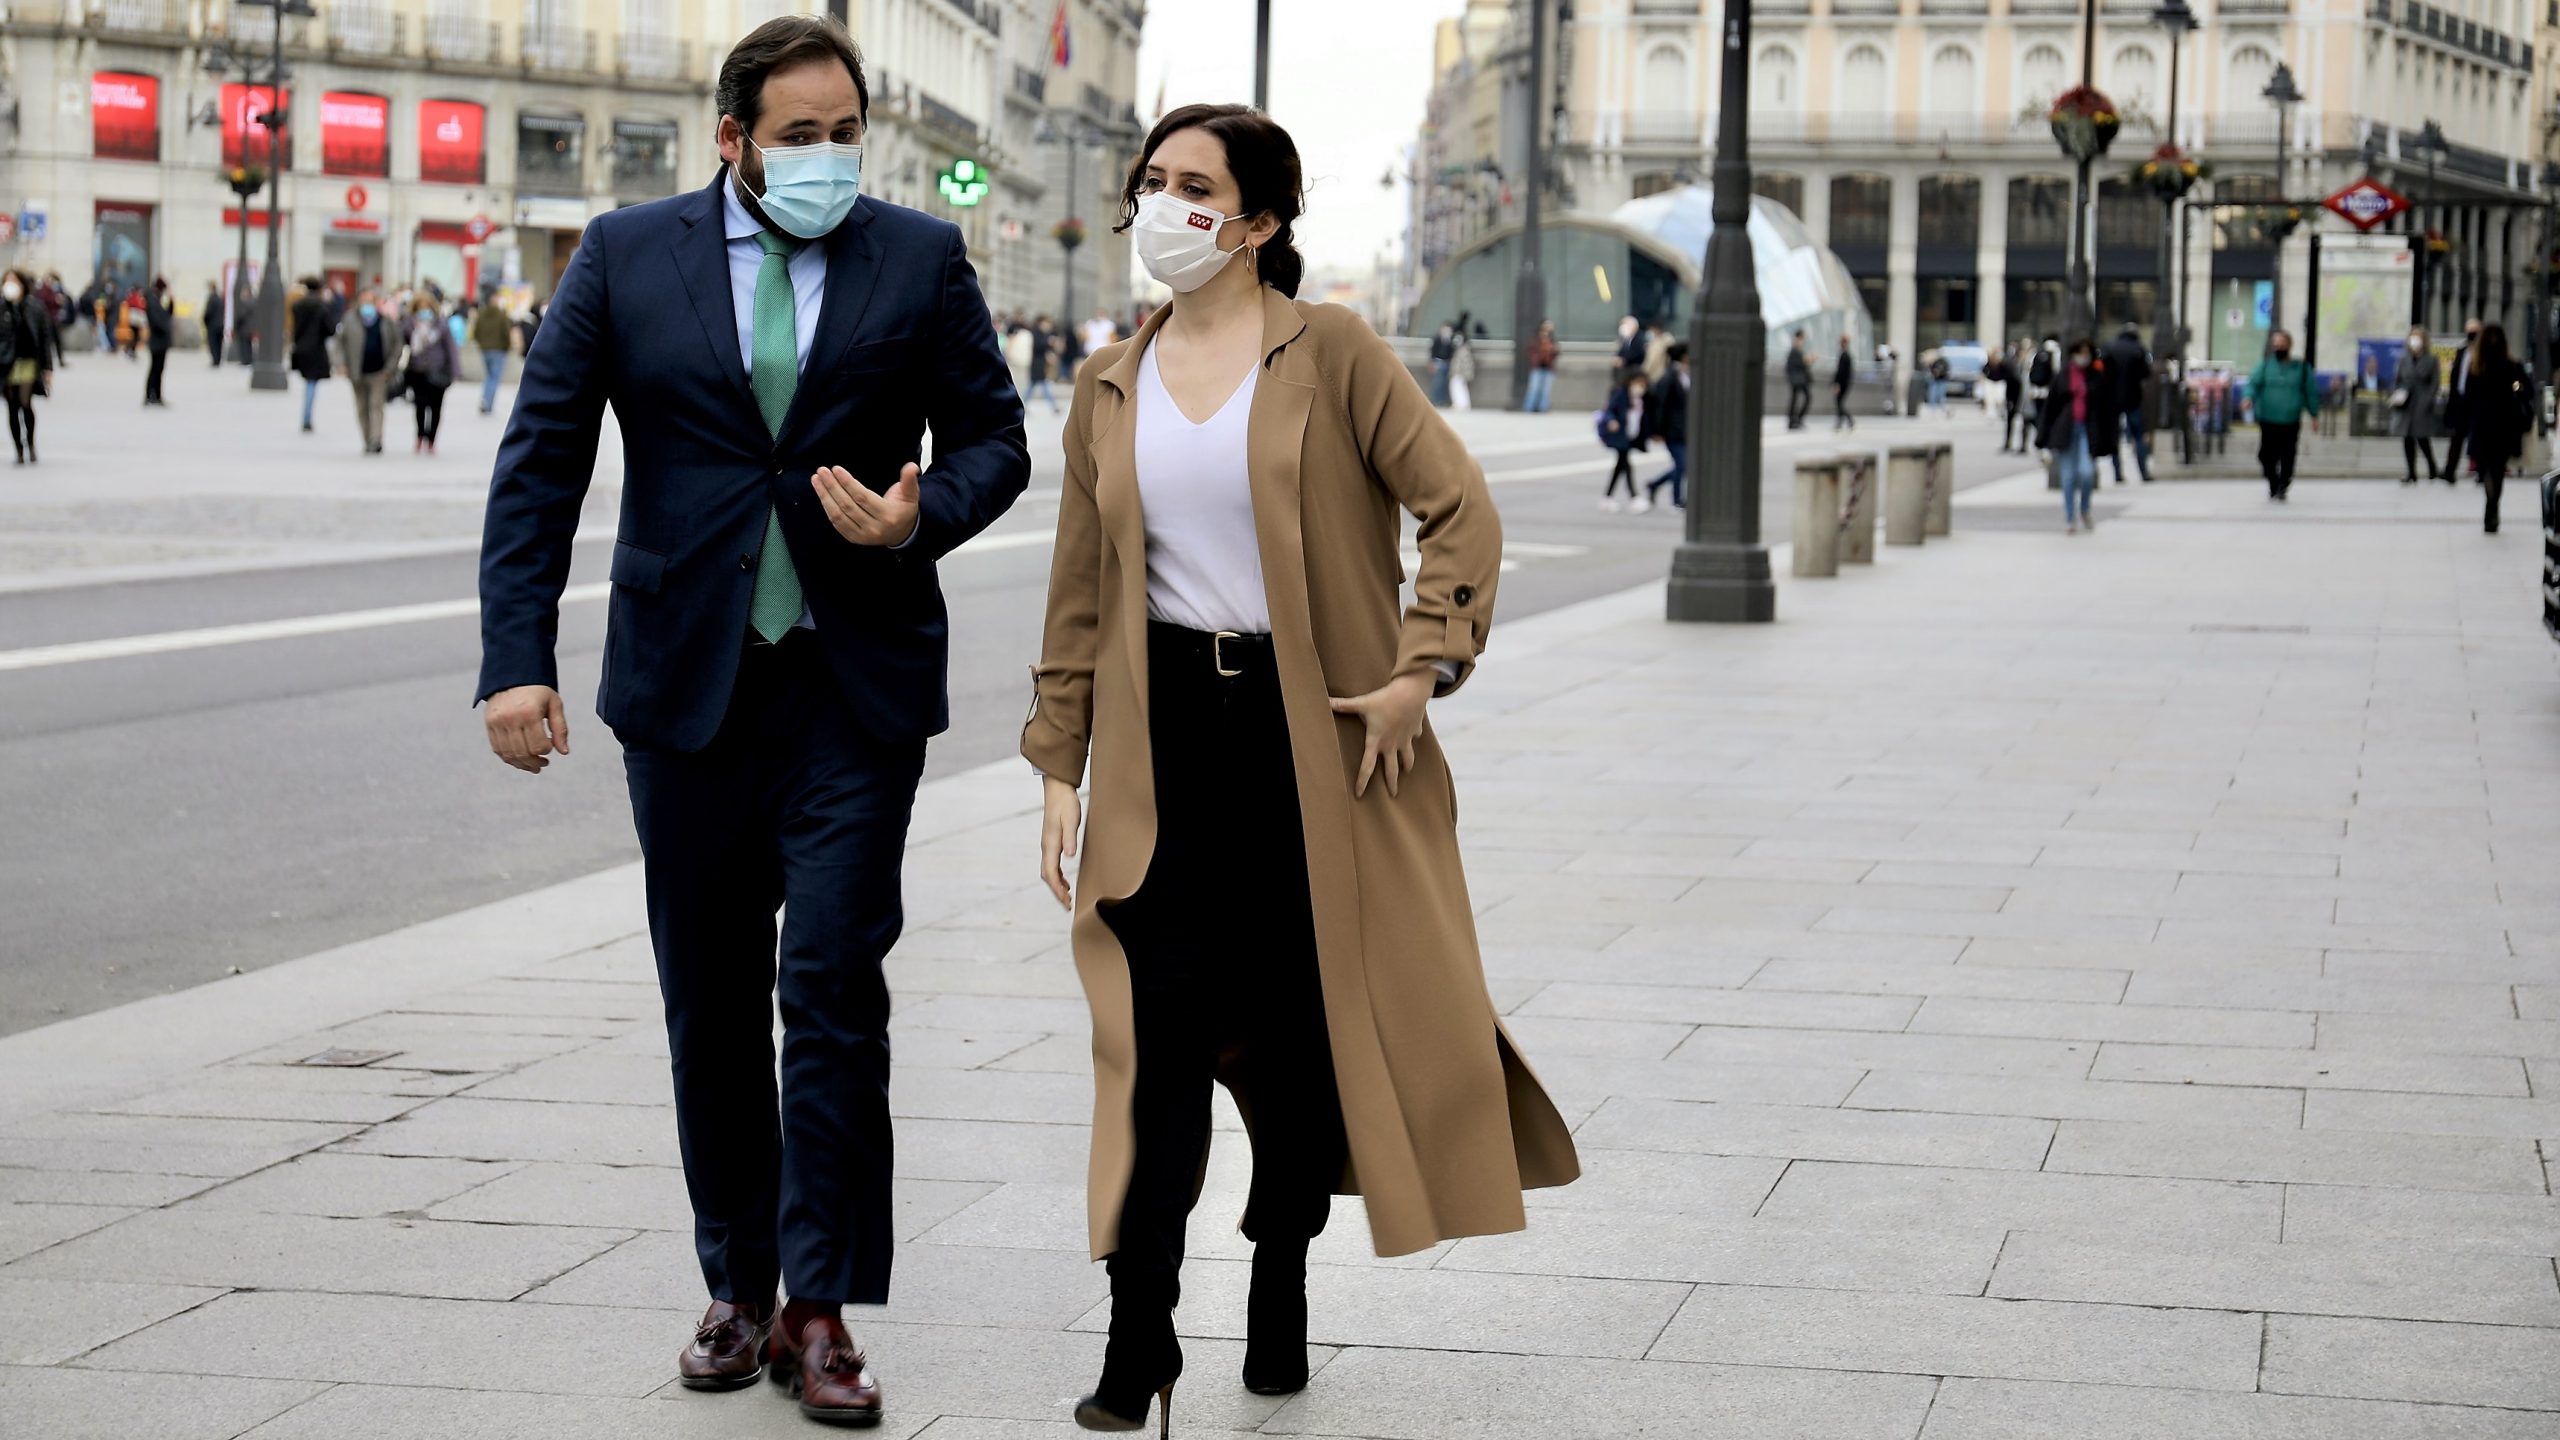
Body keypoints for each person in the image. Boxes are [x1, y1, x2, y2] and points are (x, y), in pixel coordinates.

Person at [475, 17, 1028, 1425]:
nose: (831, 156)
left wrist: (922, 512)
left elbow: (995, 441)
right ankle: (736, 1279)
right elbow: (540, 461)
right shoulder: (625, 254)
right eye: (801, 135)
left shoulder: (918, 258)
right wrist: (514, 659)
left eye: (849, 132)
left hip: (853, 685)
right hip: (688, 687)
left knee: (835, 986)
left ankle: (820, 1304)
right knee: (709, 1000)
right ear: (732, 140)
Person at [1025, 101, 1576, 1438]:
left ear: (1262, 221)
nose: (1167, 205)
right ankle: (1138, 1333)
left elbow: (1460, 507)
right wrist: (1059, 760)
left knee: (1289, 1055)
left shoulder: (1330, 351)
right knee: (1151, 1051)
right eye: (1153, 181)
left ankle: (1279, 1270)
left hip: (1303, 749)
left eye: (1196, 187)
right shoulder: (1110, 379)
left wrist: (1418, 666)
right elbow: (1083, 590)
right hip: (1164, 757)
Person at [2037, 336, 2115, 534]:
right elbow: (2051, 407)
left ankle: (2085, 509)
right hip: (2066, 430)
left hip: (2087, 430)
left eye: (2086, 353)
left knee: (2087, 473)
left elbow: (2105, 408)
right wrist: (2043, 436)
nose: (2083, 357)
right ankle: (2070, 518)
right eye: (2079, 353)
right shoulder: (2063, 375)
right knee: (2069, 476)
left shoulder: (2096, 376)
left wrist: (2109, 437)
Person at [2463, 322, 2530, 533]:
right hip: (2504, 426)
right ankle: (2493, 507)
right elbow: (2525, 390)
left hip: (2484, 426)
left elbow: (2468, 398)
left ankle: (2490, 506)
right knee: (2497, 469)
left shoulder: (2476, 368)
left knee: (2487, 471)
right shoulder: (2511, 366)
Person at [2247, 328, 2317, 502]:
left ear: (2289, 345)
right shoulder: (2265, 366)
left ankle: (2283, 484)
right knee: (2265, 455)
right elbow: (2253, 384)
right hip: (2269, 419)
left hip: (2290, 420)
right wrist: (2247, 397)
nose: (2279, 347)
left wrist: (2314, 414)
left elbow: (2311, 392)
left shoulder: (2301, 368)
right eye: (2276, 344)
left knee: (2287, 454)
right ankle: (2273, 481)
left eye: (2282, 344)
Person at [0, 269, 58, 464]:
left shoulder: (34, 307)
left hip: (28, 362)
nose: (10, 284)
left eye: (14, 281)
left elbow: (44, 338)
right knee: (12, 405)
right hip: (6, 363)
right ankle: (18, 448)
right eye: (7, 281)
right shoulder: (2, 307)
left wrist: (48, 368)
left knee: (25, 402)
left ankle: (30, 443)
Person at [333, 289, 393, 454]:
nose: (367, 305)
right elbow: (339, 343)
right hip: (357, 371)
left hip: (379, 371)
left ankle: (376, 439)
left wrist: (390, 367)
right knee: (362, 406)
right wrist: (341, 364)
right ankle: (367, 439)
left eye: (370, 301)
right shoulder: (349, 319)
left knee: (376, 405)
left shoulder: (385, 321)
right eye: (364, 301)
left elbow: (396, 344)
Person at [403, 298, 458, 454]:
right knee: (420, 405)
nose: (424, 312)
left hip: (438, 371)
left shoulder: (441, 325)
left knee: (436, 407)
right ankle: (420, 435)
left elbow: (451, 348)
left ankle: (432, 439)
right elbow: (401, 342)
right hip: (417, 371)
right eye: (420, 308)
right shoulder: (409, 325)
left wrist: (455, 370)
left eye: (427, 308)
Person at [2391, 326, 2444, 484]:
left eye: (2418, 337)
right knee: (2407, 437)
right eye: (2412, 337)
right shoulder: (2403, 359)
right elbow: (2398, 379)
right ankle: (2411, 472)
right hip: (2406, 401)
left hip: (2422, 402)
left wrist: (2428, 398)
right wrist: (2398, 395)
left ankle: (2432, 467)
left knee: (2422, 437)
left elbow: (2435, 382)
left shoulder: (2431, 359)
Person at [2102, 322, 2152, 484]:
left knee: (2114, 436)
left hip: (2112, 398)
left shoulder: (2110, 347)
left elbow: (2103, 372)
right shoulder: (2139, 349)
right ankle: (2143, 471)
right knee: (2138, 435)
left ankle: (2117, 472)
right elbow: (2146, 373)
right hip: (2133, 398)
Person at [1645, 340, 1689, 511]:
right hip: (1672, 430)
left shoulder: (1684, 374)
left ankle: (1654, 484)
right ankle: (1677, 499)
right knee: (1682, 465)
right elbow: (1660, 405)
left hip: (1684, 429)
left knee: (1684, 465)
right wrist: (1657, 430)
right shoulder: (1670, 377)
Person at [1599, 365, 1648, 511]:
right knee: (1626, 465)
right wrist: (1612, 421)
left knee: (1620, 466)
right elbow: (1610, 410)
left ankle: (1607, 497)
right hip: (1620, 435)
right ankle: (1634, 497)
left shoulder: (1639, 397)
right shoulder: (1621, 393)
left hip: (1629, 434)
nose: (1640, 386)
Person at [290, 277, 334, 433]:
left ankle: (306, 417)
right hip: (316, 348)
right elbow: (330, 329)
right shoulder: (322, 306)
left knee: (309, 382)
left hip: (301, 347)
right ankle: (306, 418)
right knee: (311, 383)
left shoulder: (298, 305)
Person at [2442, 317, 2481, 482]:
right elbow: (2455, 376)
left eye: (2474, 331)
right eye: (2469, 330)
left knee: (2478, 438)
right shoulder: (2461, 351)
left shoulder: (2483, 353)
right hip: (2460, 400)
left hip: (2477, 402)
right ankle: (2449, 471)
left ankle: (2480, 470)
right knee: (2456, 438)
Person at [472, 293, 515, 414]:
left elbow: (476, 332)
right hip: (498, 350)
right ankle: (487, 402)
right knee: (494, 377)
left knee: (489, 376)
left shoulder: (482, 315)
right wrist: (507, 347)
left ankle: (485, 400)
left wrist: (482, 343)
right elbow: (506, 333)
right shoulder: (502, 316)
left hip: (485, 349)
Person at [139, 277, 174, 406]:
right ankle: (150, 395)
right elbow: (157, 320)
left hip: (161, 341)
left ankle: (157, 395)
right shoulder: (152, 302)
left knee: (159, 370)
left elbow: (167, 314)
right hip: (157, 341)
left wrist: (171, 301)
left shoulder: (157, 301)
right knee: (155, 369)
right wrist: (165, 327)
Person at [1027, 314, 1061, 413]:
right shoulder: (1036, 333)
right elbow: (1037, 346)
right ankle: (1054, 406)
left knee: (1033, 386)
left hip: (1041, 363)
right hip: (1036, 363)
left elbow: (1046, 350)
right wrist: (1048, 342)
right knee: (1041, 385)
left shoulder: (1045, 334)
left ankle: (1053, 406)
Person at [1523, 319, 1558, 413]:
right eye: (1547, 324)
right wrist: (1535, 358)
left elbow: (1556, 353)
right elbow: (1531, 350)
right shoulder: (1536, 338)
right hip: (1537, 367)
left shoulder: (1552, 339)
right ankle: (1529, 408)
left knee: (1546, 390)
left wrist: (1553, 350)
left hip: (1548, 368)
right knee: (1534, 388)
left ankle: (1543, 408)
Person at [1782, 330, 1812, 429]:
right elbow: (1801, 361)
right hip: (1798, 378)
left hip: (1798, 377)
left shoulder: (1797, 347)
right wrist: (1809, 359)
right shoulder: (1796, 346)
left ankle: (1795, 420)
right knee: (1802, 398)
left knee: (1796, 398)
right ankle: (1794, 420)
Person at [1447, 314, 1475, 410]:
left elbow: (1463, 364)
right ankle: (1462, 404)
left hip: (1460, 373)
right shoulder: (1462, 350)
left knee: (1457, 387)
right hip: (1460, 373)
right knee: (1460, 388)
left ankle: (1461, 404)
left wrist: (1458, 372)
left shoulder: (1463, 351)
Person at [1426, 320, 1455, 406]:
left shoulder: (1450, 340)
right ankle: (1436, 400)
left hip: (1447, 363)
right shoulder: (1437, 338)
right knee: (1437, 383)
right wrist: (1432, 362)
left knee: (1444, 384)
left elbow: (1451, 352)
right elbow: (1432, 351)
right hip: (1438, 362)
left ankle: (1442, 400)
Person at [1831, 334, 1856, 431]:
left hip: (1842, 384)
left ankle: (1848, 419)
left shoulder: (1845, 355)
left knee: (1839, 403)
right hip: (1844, 383)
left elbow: (1841, 372)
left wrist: (1837, 384)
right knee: (1839, 403)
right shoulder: (1846, 355)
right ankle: (1840, 422)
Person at [204, 279, 226, 368]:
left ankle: (215, 360)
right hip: (220, 324)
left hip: (212, 325)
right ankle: (218, 359)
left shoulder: (211, 299)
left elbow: (208, 313)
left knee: (213, 343)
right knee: (219, 343)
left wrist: (205, 321)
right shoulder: (220, 298)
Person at [1924, 350, 1950, 417]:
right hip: (1935, 380)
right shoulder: (1934, 362)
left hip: (1942, 380)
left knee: (1941, 396)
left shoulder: (1944, 362)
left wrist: (1940, 372)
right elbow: (1930, 370)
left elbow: (1947, 371)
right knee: (1932, 395)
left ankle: (1942, 409)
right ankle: (1933, 409)